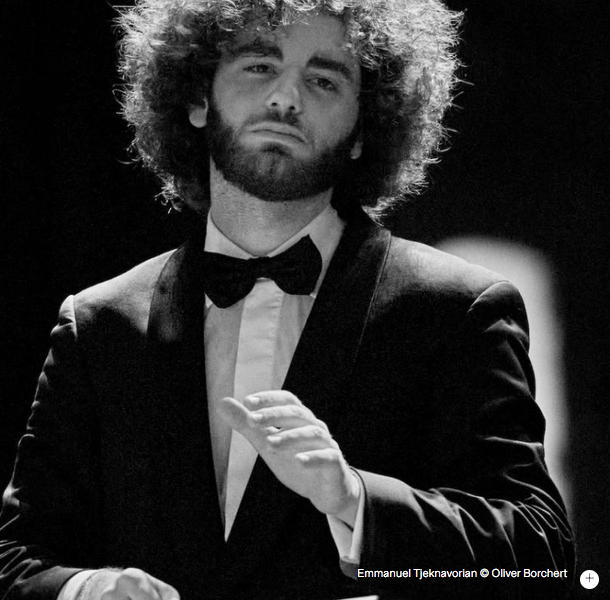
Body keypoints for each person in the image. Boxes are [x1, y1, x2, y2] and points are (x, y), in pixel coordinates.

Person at [0, 1, 574, 599]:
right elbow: (15, 560)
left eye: (323, 80)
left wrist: (352, 498)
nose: (285, 98)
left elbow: (539, 557)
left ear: (363, 130)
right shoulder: (99, 324)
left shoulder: (457, 310)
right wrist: (86, 590)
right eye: (259, 66)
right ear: (197, 99)